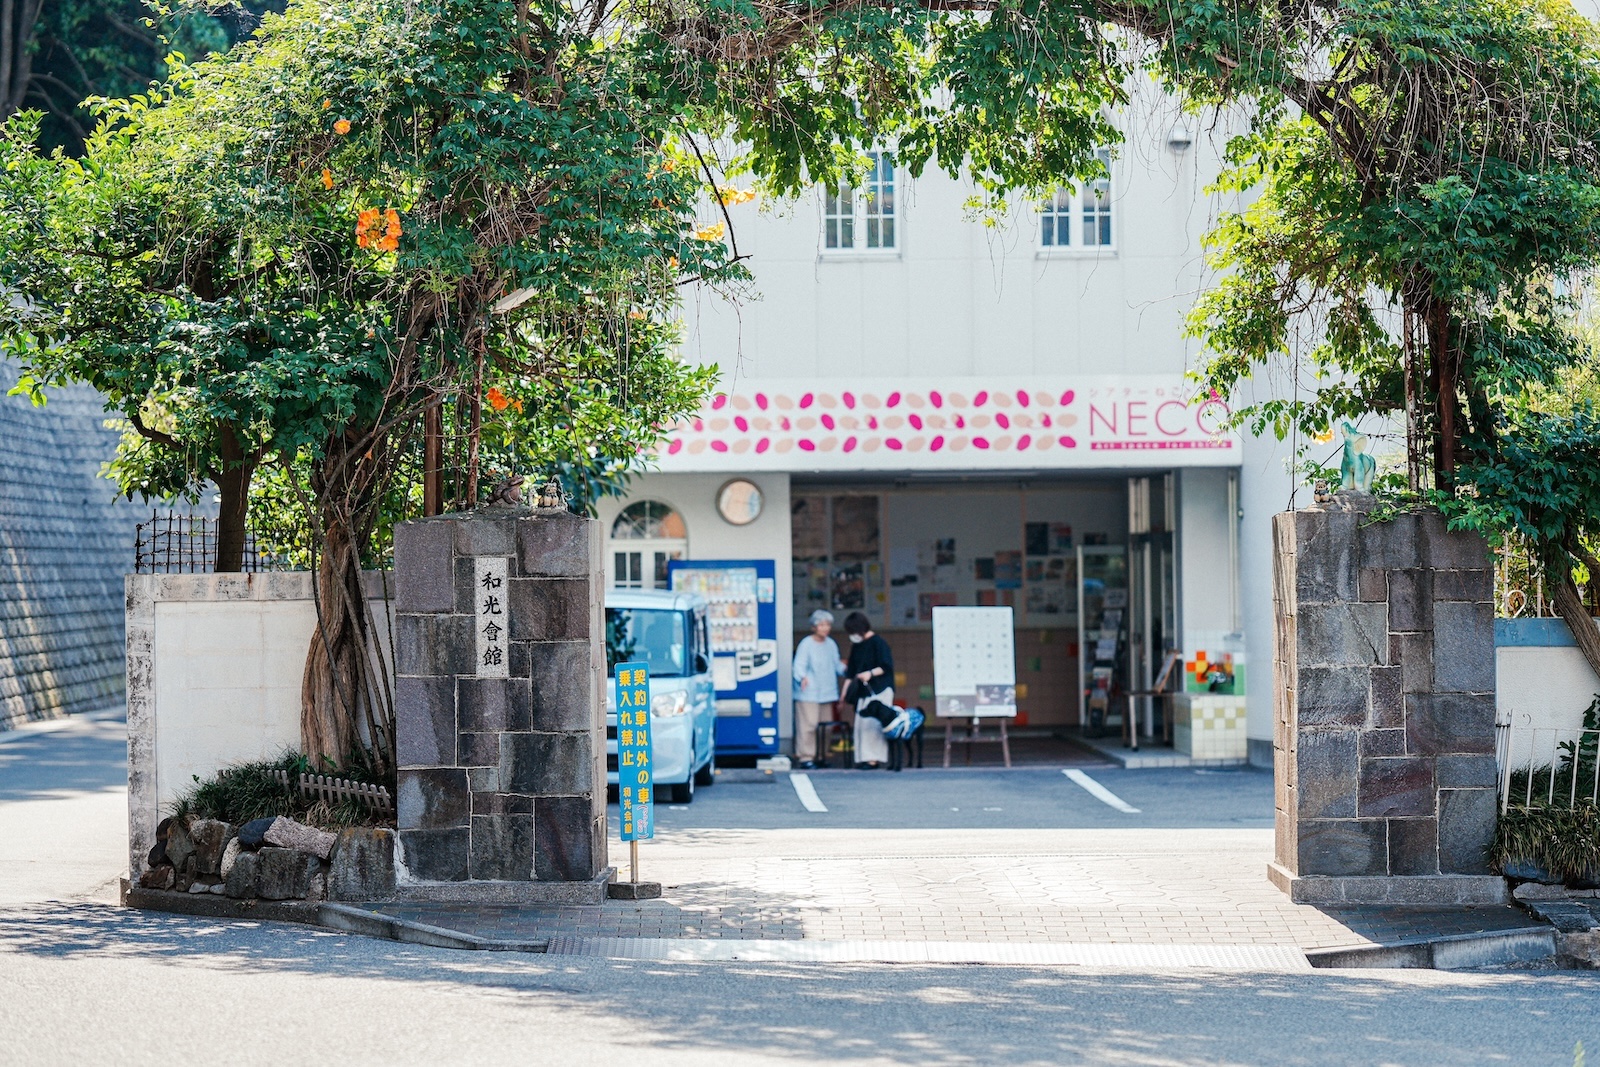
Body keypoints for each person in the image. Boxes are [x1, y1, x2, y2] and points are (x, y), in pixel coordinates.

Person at [791, 609, 846, 769]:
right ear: (814, 627)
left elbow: (836, 664)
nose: (825, 628)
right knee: (808, 726)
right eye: (821, 625)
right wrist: (802, 677)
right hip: (808, 692)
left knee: (826, 726)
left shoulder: (831, 644)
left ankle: (821, 755)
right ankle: (806, 757)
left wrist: (847, 669)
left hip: (827, 691)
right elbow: (798, 665)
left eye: (828, 624)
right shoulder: (806, 644)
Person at [841, 612, 895, 768]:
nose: (852, 636)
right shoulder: (857, 646)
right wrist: (844, 695)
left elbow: (887, 666)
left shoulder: (878, 643)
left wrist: (870, 674)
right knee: (861, 725)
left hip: (880, 689)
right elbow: (851, 673)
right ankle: (864, 758)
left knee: (872, 726)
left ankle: (873, 759)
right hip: (863, 692)